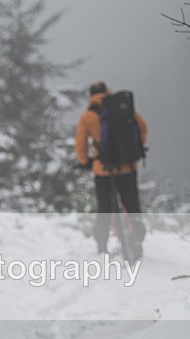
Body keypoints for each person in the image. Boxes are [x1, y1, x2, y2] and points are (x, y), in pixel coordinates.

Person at [74, 81, 148, 254]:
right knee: (132, 206)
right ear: (107, 92)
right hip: (127, 168)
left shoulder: (88, 116)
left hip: (103, 170)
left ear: (91, 95)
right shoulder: (123, 108)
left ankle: (102, 245)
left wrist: (85, 161)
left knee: (104, 209)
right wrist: (134, 150)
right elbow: (142, 129)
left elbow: (80, 143)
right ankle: (136, 240)